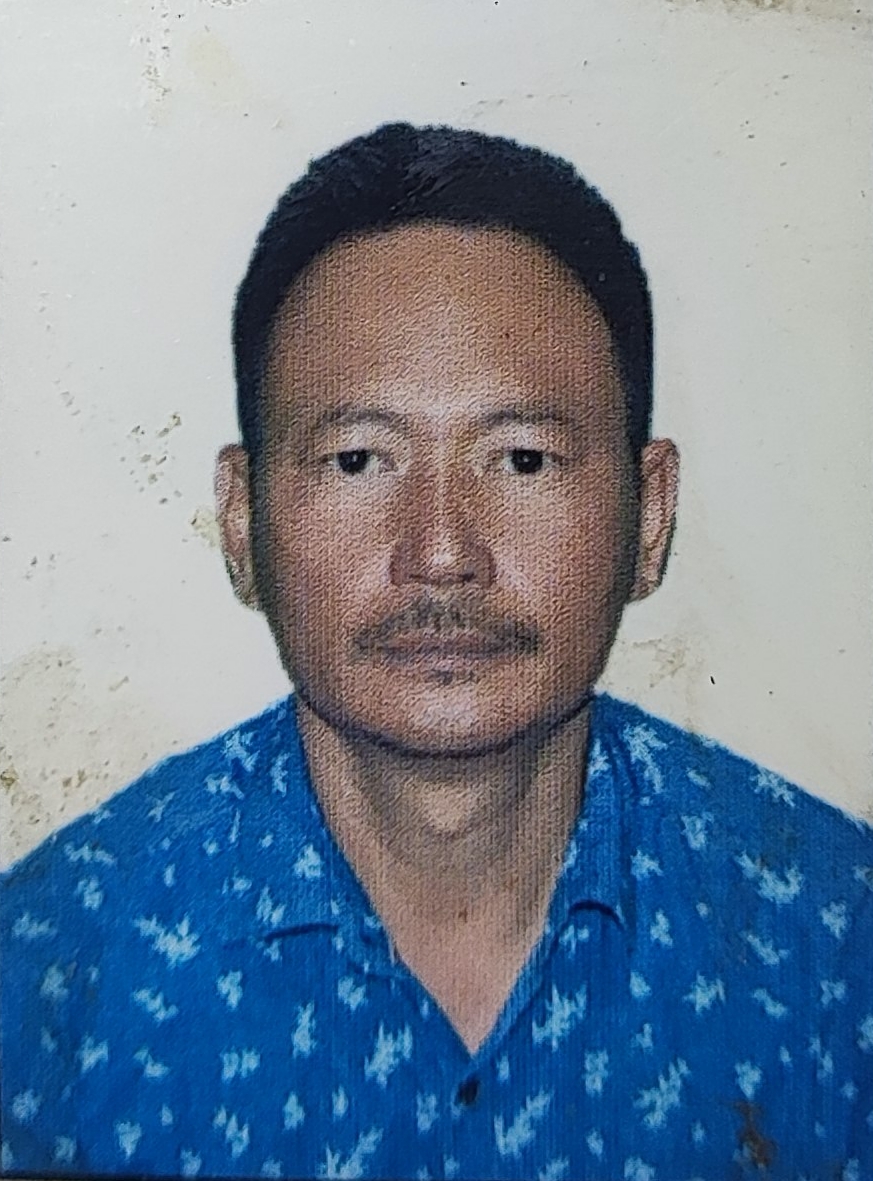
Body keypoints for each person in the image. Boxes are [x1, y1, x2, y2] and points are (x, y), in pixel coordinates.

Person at [1, 123, 871, 1181]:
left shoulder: (833, 941)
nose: (443, 552)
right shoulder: (50, 968)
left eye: (522, 459)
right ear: (241, 521)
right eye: (358, 459)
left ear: (649, 518)